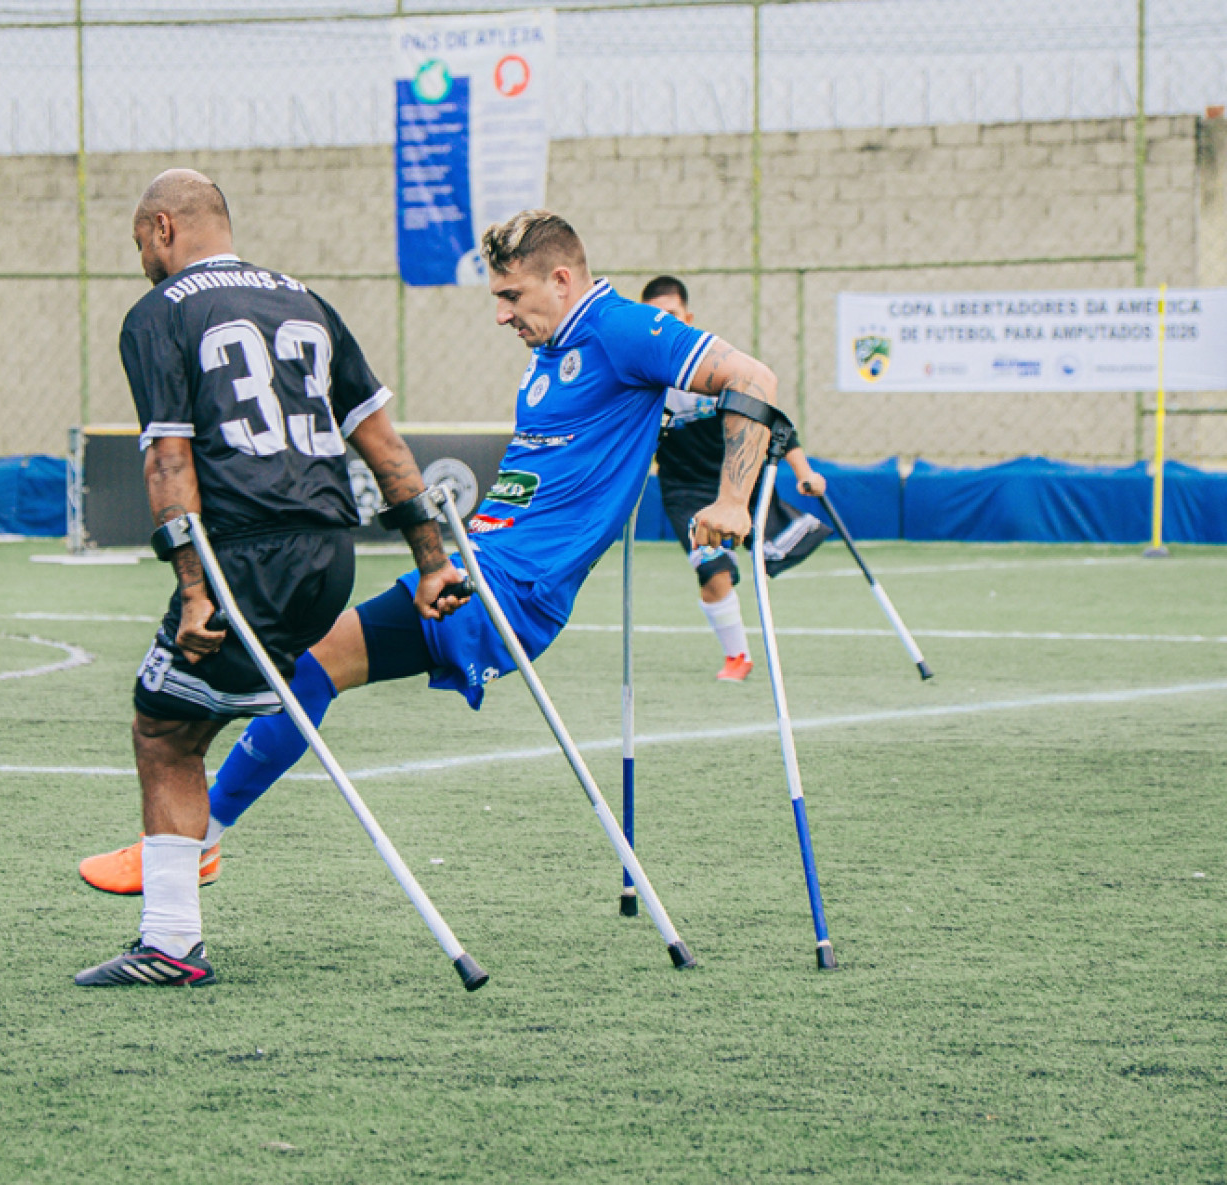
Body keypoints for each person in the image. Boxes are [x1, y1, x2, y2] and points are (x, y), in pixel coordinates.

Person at [78, 211, 787, 896]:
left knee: (309, 668)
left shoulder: (620, 325)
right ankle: (199, 841)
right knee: (307, 667)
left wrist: (730, 498)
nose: (501, 314)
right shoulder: (559, 349)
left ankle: (197, 843)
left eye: (511, 295)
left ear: (562, 279)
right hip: (482, 570)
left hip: (512, 588)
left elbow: (751, 379)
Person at [73, 168, 466, 988]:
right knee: (197, 714)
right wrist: (432, 561)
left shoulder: (157, 313)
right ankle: (176, 916)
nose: (141, 258)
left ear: (162, 228)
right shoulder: (308, 304)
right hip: (331, 552)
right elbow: (385, 446)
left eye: (140, 241)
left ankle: (171, 945)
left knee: (163, 730)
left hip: (245, 553)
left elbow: (169, 455)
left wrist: (191, 587)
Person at [642, 275, 833, 682]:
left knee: (770, 554)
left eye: (671, 314)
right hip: (684, 490)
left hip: (737, 482)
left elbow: (770, 423)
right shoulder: (645, 379)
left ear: (687, 317)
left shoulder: (714, 368)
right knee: (712, 570)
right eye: (653, 315)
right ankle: (738, 657)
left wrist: (805, 473)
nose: (662, 322)